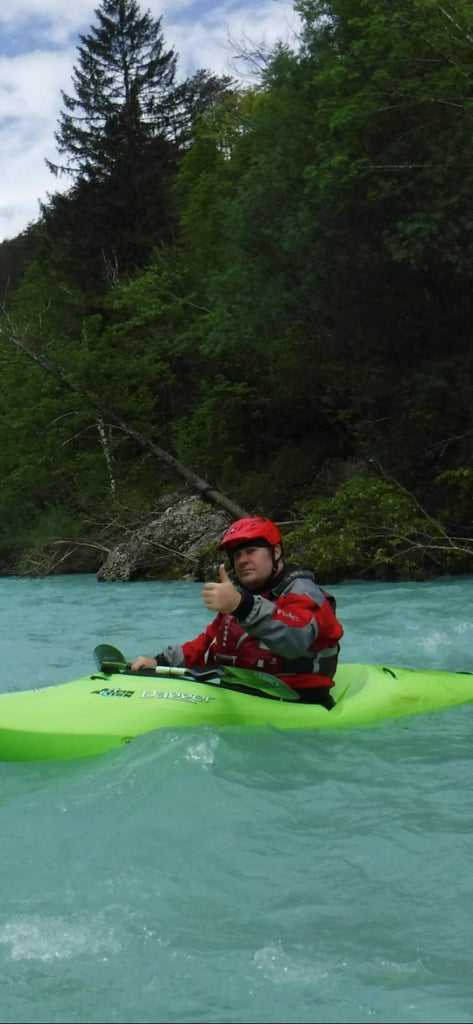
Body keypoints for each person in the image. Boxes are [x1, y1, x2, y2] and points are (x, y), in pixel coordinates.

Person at [131, 516, 343, 708]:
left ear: (275, 552)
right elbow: (207, 646)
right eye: (237, 555)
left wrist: (241, 606)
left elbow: (295, 638)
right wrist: (160, 662)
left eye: (251, 551)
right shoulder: (240, 599)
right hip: (245, 696)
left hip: (299, 702)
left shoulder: (305, 594)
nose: (242, 560)